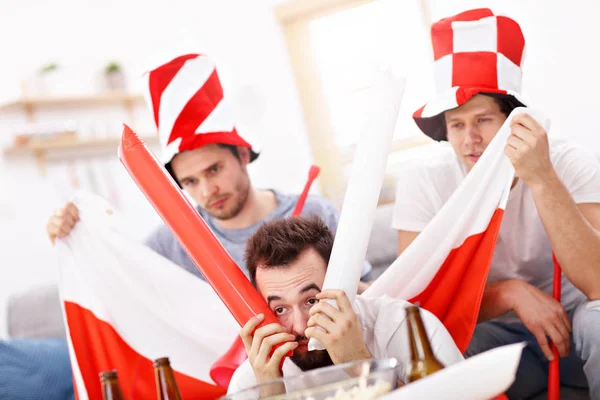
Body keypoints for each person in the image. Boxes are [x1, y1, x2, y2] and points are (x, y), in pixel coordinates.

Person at [392, 8, 600, 399]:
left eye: (484, 120)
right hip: (493, 333)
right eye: (456, 124)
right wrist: (509, 293)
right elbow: (414, 307)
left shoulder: (569, 162)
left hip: (576, 325)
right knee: (439, 345)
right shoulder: (425, 181)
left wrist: (541, 177)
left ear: (515, 119)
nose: (469, 138)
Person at [46, 54, 372, 285]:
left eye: (214, 170)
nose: (206, 191)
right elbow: (117, 283)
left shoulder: (315, 214)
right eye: (190, 180)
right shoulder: (174, 242)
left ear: (242, 155)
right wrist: (70, 238)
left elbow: (371, 297)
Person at [227, 216, 463, 394]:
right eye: (281, 309)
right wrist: (272, 392)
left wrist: (359, 363)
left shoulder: (402, 327)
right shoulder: (253, 379)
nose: (300, 327)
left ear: (345, 285)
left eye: (311, 301)